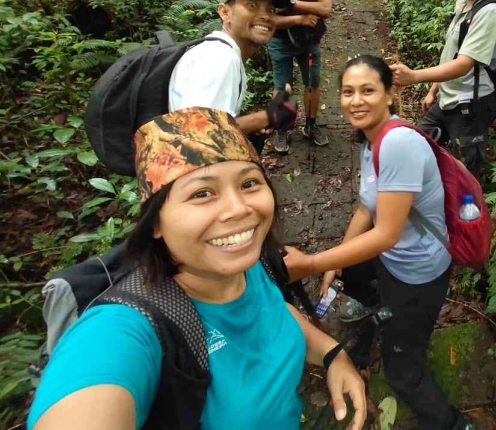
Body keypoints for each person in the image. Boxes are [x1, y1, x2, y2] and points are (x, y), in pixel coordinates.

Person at [28, 107, 366, 430]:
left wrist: (332, 353)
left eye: (249, 183)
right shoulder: (124, 330)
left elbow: (275, 312)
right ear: (155, 223)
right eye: (202, 193)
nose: (239, 209)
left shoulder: (249, 264)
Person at [283, 56, 471, 430]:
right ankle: (373, 312)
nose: (356, 100)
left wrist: (312, 263)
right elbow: (367, 210)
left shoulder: (397, 143)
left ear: (390, 95)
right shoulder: (372, 138)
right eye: (348, 92)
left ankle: (454, 424)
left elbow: (386, 233)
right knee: (350, 268)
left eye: (368, 90)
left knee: (403, 372)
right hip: (393, 259)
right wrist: (335, 263)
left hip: (417, 275)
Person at [389, 0, 496, 178]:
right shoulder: (466, 5)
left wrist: (414, 77)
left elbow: (464, 64)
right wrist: (434, 90)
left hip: (470, 106)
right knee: (418, 144)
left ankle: (464, 213)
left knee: (463, 174)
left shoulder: (490, 13)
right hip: (448, 99)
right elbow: (451, 55)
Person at [168, 0, 298, 153]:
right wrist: (267, 117)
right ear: (224, 12)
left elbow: (211, 123)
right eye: (252, 5)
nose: (266, 16)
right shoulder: (219, 59)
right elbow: (197, 136)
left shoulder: (216, 51)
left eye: (271, 9)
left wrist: (247, 128)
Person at [266, 0, 333, 152]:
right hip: (281, 42)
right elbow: (269, 20)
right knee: (282, 87)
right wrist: (300, 18)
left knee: (312, 84)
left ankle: (311, 125)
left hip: (310, 42)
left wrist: (292, 3)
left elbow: (325, 9)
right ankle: (281, 130)